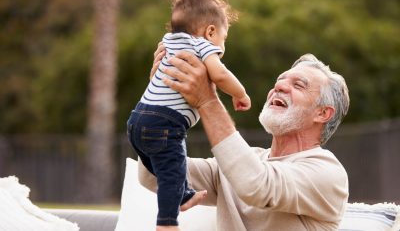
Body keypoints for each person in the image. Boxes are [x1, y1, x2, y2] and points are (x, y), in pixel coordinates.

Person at [138, 51, 350, 231]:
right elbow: (152, 175)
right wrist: (160, 100)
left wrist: (207, 99)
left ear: (322, 113)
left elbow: (256, 185)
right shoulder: (243, 163)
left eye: (299, 85)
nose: (280, 87)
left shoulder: (328, 172)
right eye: (279, 82)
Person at [126, 0, 251, 230]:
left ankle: (183, 193)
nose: (221, 47)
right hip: (165, 123)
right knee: (172, 170)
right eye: (223, 40)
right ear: (211, 31)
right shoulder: (202, 45)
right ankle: (167, 224)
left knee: (167, 167)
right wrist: (240, 93)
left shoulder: (168, 41)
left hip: (136, 120)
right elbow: (220, 74)